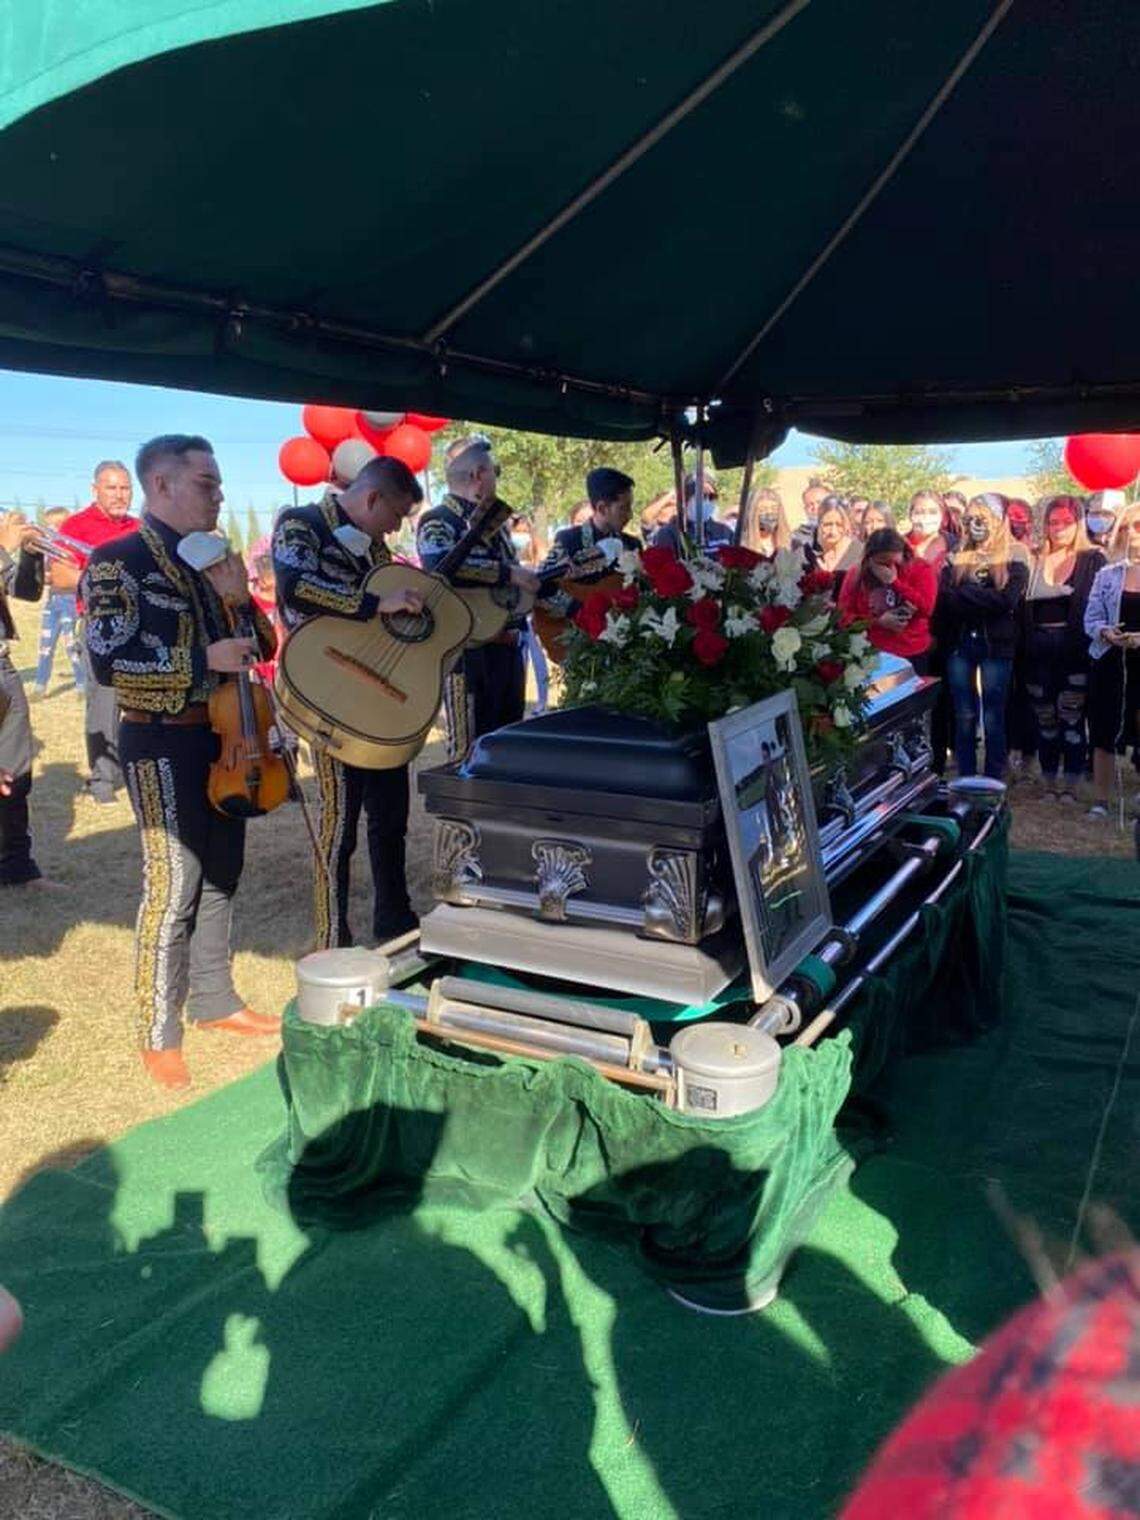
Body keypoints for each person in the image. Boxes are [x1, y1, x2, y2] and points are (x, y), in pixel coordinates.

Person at [83, 435, 279, 1091]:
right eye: (206, 483)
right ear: (161, 485)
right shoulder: (118, 561)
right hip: (160, 740)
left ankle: (216, 999)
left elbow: (263, 645)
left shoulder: (214, 559)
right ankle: (157, 1031)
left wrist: (241, 601)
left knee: (223, 870)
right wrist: (201, 661)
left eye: (218, 484)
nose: (219, 495)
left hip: (230, 739)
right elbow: (107, 663)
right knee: (174, 884)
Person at [273, 455, 427, 949]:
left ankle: (395, 920)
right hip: (328, 692)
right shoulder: (301, 524)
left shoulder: (377, 548)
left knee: (391, 816)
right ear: (372, 497)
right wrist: (373, 604)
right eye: (395, 514)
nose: (396, 528)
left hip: (379, 697)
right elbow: (295, 588)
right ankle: (331, 936)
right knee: (339, 823)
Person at [416, 435, 542, 759]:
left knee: (507, 745)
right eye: (495, 471)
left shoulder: (496, 524)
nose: (497, 478)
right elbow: (440, 567)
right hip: (467, 655)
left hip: (508, 648)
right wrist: (508, 573)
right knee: (468, 751)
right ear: (478, 475)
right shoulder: (438, 520)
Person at [50, 462, 141, 804]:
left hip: (139, 625)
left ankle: (135, 771)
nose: (119, 495)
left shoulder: (140, 527)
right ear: (95, 490)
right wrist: (109, 583)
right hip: (101, 625)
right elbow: (60, 578)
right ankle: (103, 779)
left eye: (125, 488)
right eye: (111, 488)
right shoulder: (75, 526)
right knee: (103, 703)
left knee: (140, 702)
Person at [933, 494, 1029, 779]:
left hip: (997, 645)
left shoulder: (1015, 554)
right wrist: (984, 596)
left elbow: (1007, 600)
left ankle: (993, 777)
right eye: (970, 519)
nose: (975, 524)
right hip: (960, 643)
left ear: (998, 521)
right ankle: (966, 775)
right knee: (964, 713)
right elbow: (945, 599)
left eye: (982, 518)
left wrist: (965, 594)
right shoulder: (956, 555)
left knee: (994, 714)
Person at [1022, 495, 1104, 802]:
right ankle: (1048, 782)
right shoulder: (1033, 559)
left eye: (1066, 522)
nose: (1059, 528)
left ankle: (1070, 784)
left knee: (1071, 718)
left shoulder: (1093, 559)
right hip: (1036, 653)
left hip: (1075, 652)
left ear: (1078, 524)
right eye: (1053, 522)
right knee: (1045, 719)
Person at [0, 514, 54, 888]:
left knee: (16, 771)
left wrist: (32, 555)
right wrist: (4, 547)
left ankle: (17, 866)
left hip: (3, 667)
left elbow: (25, 592)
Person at [1084, 501, 1140, 819]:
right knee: (1103, 729)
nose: (1133, 532)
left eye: (1139, 525)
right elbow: (1090, 619)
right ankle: (1101, 800)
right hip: (1109, 662)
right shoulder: (1106, 574)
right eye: (1127, 526)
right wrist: (1105, 632)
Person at [838, 528, 937, 671]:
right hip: (871, 651)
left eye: (894, 563)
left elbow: (927, 609)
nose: (889, 568)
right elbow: (843, 616)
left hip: (911, 650)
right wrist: (876, 622)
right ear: (870, 559)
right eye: (882, 563)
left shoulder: (921, 568)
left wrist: (894, 582)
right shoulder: (856, 574)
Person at [32, 506, 86, 699]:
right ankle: (40, 686)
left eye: (55, 526)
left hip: (69, 600)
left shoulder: (72, 550)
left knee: (72, 645)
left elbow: (73, 574)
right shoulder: (49, 550)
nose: (51, 530)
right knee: (45, 645)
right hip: (52, 600)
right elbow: (48, 575)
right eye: (49, 526)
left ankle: (82, 686)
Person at [554, 467, 639, 560]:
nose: (630, 515)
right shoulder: (567, 543)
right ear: (602, 509)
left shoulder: (632, 545)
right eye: (623, 508)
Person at [652, 469, 733, 553]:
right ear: (686, 498)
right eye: (702, 496)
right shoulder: (668, 534)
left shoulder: (725, 532)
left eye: (712, 497)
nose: (707, 501)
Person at [814, 497, 859, 592]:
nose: (832, 531)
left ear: (847, 524)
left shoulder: (860, 554)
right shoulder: (813, 557)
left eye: (839, 525)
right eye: (827, 524)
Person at [738, 486, 794, 559]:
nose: (769, 514)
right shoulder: (743, 546)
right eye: (762, 510)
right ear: (753, 514)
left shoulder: (792, 544)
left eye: (774, 509)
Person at [906, 490, 953, 575]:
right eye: (919, 512)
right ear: (910, 515)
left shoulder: (955, 545)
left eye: (933, 512)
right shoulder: (899, 544)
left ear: (942, 516)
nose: (926, 517)